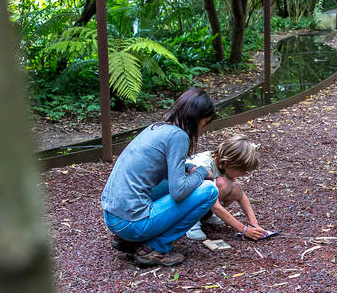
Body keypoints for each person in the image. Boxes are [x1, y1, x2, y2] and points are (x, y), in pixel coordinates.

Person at [100, 88, 218, 267]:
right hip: (131, 224)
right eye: (206, 122)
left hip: (113, 218)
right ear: (198, 118)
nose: (204, 128)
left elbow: (159, 168)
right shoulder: (179, 136)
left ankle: (129, 241)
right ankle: (154, 248)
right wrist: (201, 172)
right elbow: (178, 192)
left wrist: (187, 166)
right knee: (209, 191)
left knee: (173, 181)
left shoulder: (157, 128)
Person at [184, 135, 268, 241]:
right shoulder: (204, 165)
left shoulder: (222, 163)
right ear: (228, 163)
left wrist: (254, 224)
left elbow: (241, 195)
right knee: (221, 183)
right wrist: (244, 230)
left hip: (198, 198)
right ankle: (190, 222)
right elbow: (215, 205)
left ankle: (205, 217)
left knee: (234, 187)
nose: (244, 174)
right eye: (242, 170)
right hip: (182, 202)